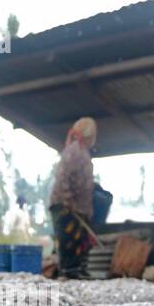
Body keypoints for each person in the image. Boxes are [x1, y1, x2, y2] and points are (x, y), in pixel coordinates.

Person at [49, 117, 98, 277]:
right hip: (66, 207)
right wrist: (68, 202)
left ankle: (76, 269)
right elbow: (63, 178)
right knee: (68, 239)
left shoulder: (83, 152)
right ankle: (69, 271)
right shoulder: (74, 150)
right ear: (89, 135)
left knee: (79, 240)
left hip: (78, 207)